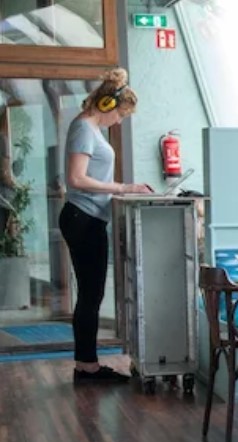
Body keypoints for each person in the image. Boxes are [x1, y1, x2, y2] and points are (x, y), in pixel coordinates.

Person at [61, 68, 152, 384]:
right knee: (90, 294)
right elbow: (76, 178)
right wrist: (124, 187)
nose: (120, 121)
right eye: (121, 115)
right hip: (82, 218)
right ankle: (86, 368)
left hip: (88, 218)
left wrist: (124, 189)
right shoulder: (84, 128)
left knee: (92, 293)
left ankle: (86, 365)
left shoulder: (90, 128)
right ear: (107, 105)